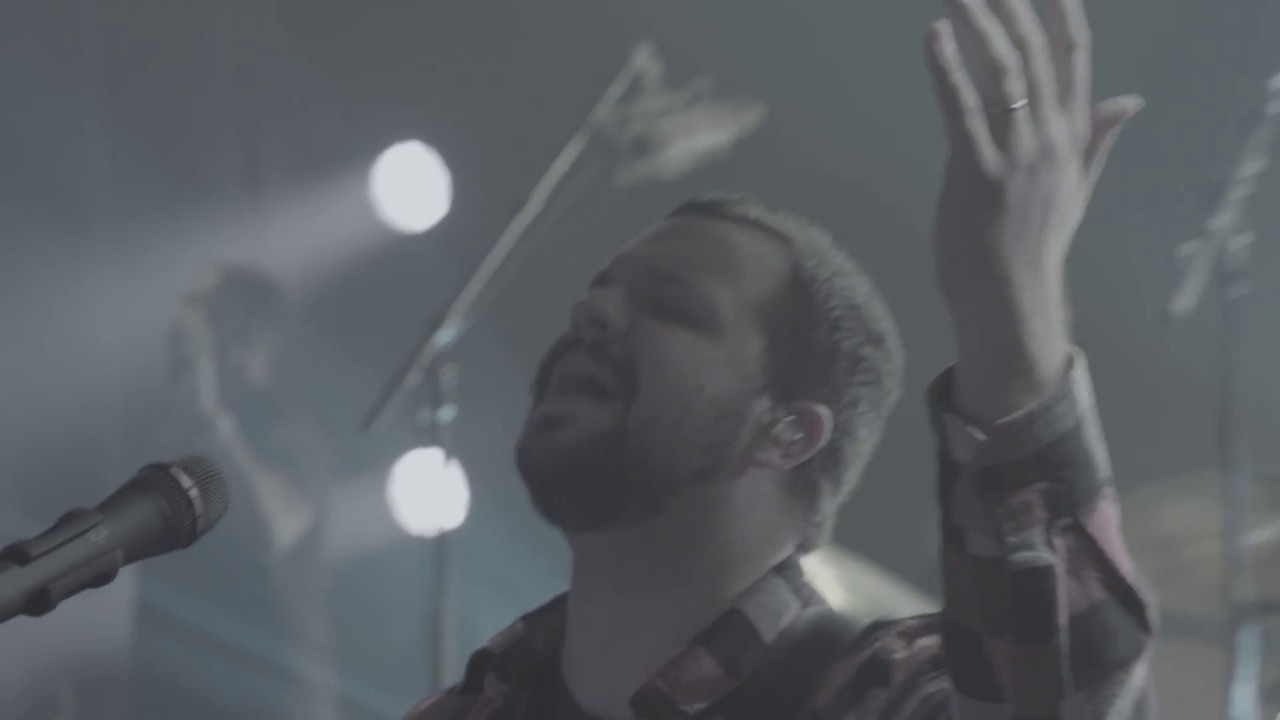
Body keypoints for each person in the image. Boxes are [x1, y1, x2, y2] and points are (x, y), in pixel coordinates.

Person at [405, 0, 1155, 718]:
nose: (592, 312)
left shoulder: (880, 699)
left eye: (672, 304)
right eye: (601, 290)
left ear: (788, 432)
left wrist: (1007, 301)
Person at [134, 264, 341, 720]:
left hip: (269, 699)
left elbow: (272, 529)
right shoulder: (166, 433)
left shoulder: (288, 433)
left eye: (203, 312)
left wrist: (207, 418)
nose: (182, 322)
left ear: (249, 335)